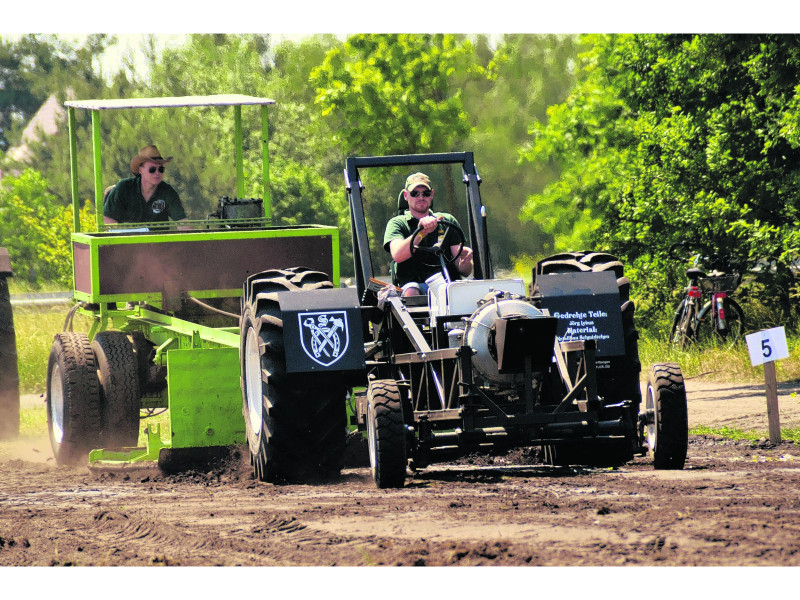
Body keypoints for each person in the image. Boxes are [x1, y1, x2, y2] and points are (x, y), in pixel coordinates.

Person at [383, 172, 473, 296]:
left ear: (432, 194)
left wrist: (465, 262)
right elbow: (398, 255)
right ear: (406, 195)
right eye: (415, 193)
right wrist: (421, 233)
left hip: (448, 287)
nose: (421, 197)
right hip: (415, 288)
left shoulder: (447, 221)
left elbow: (465, 271)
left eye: (425, 193)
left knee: (472, 292)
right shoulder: (397, 223)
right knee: (411, 290)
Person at [103, 145, 190, 229]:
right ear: (141, 170)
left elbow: (182, 223)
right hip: (127, 238)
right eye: (152, 169)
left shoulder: (168, 192)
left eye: (161, 169)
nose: (157, 173)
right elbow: (108, 220)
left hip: (158, 239)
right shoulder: (124, 188)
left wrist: (193, 235)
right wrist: (123, 234)